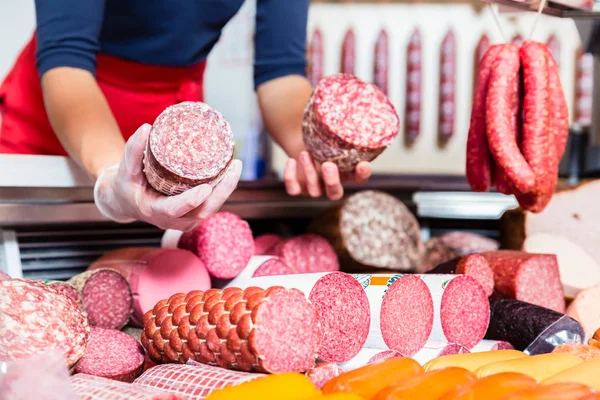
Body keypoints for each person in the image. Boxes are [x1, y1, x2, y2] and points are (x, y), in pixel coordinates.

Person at [0, 0, 372, 231]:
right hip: (60, 115)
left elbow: (281, 73)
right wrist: (114, 177)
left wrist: (313, 148)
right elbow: (68, 60)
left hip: (175, 128)